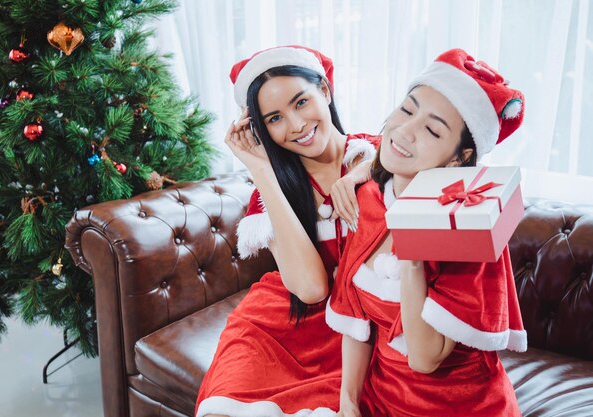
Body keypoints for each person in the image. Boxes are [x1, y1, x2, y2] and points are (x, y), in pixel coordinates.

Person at [326, 48, 527, 417]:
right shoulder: (368, 201)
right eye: (406, 109)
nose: (404, 131)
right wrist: (347, 404)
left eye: (432, 129)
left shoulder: (470, 229)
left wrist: (413, 251)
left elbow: (423, 358)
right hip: (382, 397)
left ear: (458, 159)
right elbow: (356, 322)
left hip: (461, 406)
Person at [195, 46, 380, 417]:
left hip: (358, 330)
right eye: (275, 118)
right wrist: (262, 171)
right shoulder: (269, 193)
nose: (295, 126)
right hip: (284, 322)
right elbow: (312, 288)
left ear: (325, 91)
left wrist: (364, 174)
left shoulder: (375, 157)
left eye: (301, 102)